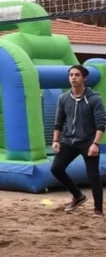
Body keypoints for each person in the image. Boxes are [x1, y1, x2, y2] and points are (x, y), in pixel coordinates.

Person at [50, 64, 105, 217]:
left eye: (77, 75)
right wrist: (55, 140)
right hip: (69, 141)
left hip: (88, 142)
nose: (73, 77)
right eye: (71, 75)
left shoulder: (94, 98)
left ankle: (98, 210)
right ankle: (78, 196)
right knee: (56, 168)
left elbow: (101, 123)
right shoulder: (63, 98)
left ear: (84, 78)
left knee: (93, 176)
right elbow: (59, 122)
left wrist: (95, 144)